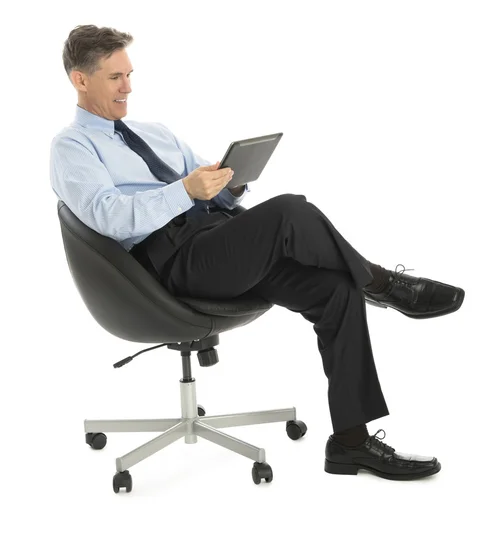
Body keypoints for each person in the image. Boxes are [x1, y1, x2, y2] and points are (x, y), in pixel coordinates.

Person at [50, 25, 465, 482]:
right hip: (165, 267)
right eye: (115, 78)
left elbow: (207, 192)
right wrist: (185, 191)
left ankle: (350, 442)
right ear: (80, 80)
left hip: (217, 242)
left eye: (130, 74)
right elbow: (107, 217)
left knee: (335, 289)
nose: (129, 87)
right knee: (290, 210)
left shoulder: (156, 132)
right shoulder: (72, 147)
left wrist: (231, 183)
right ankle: (386, 285)